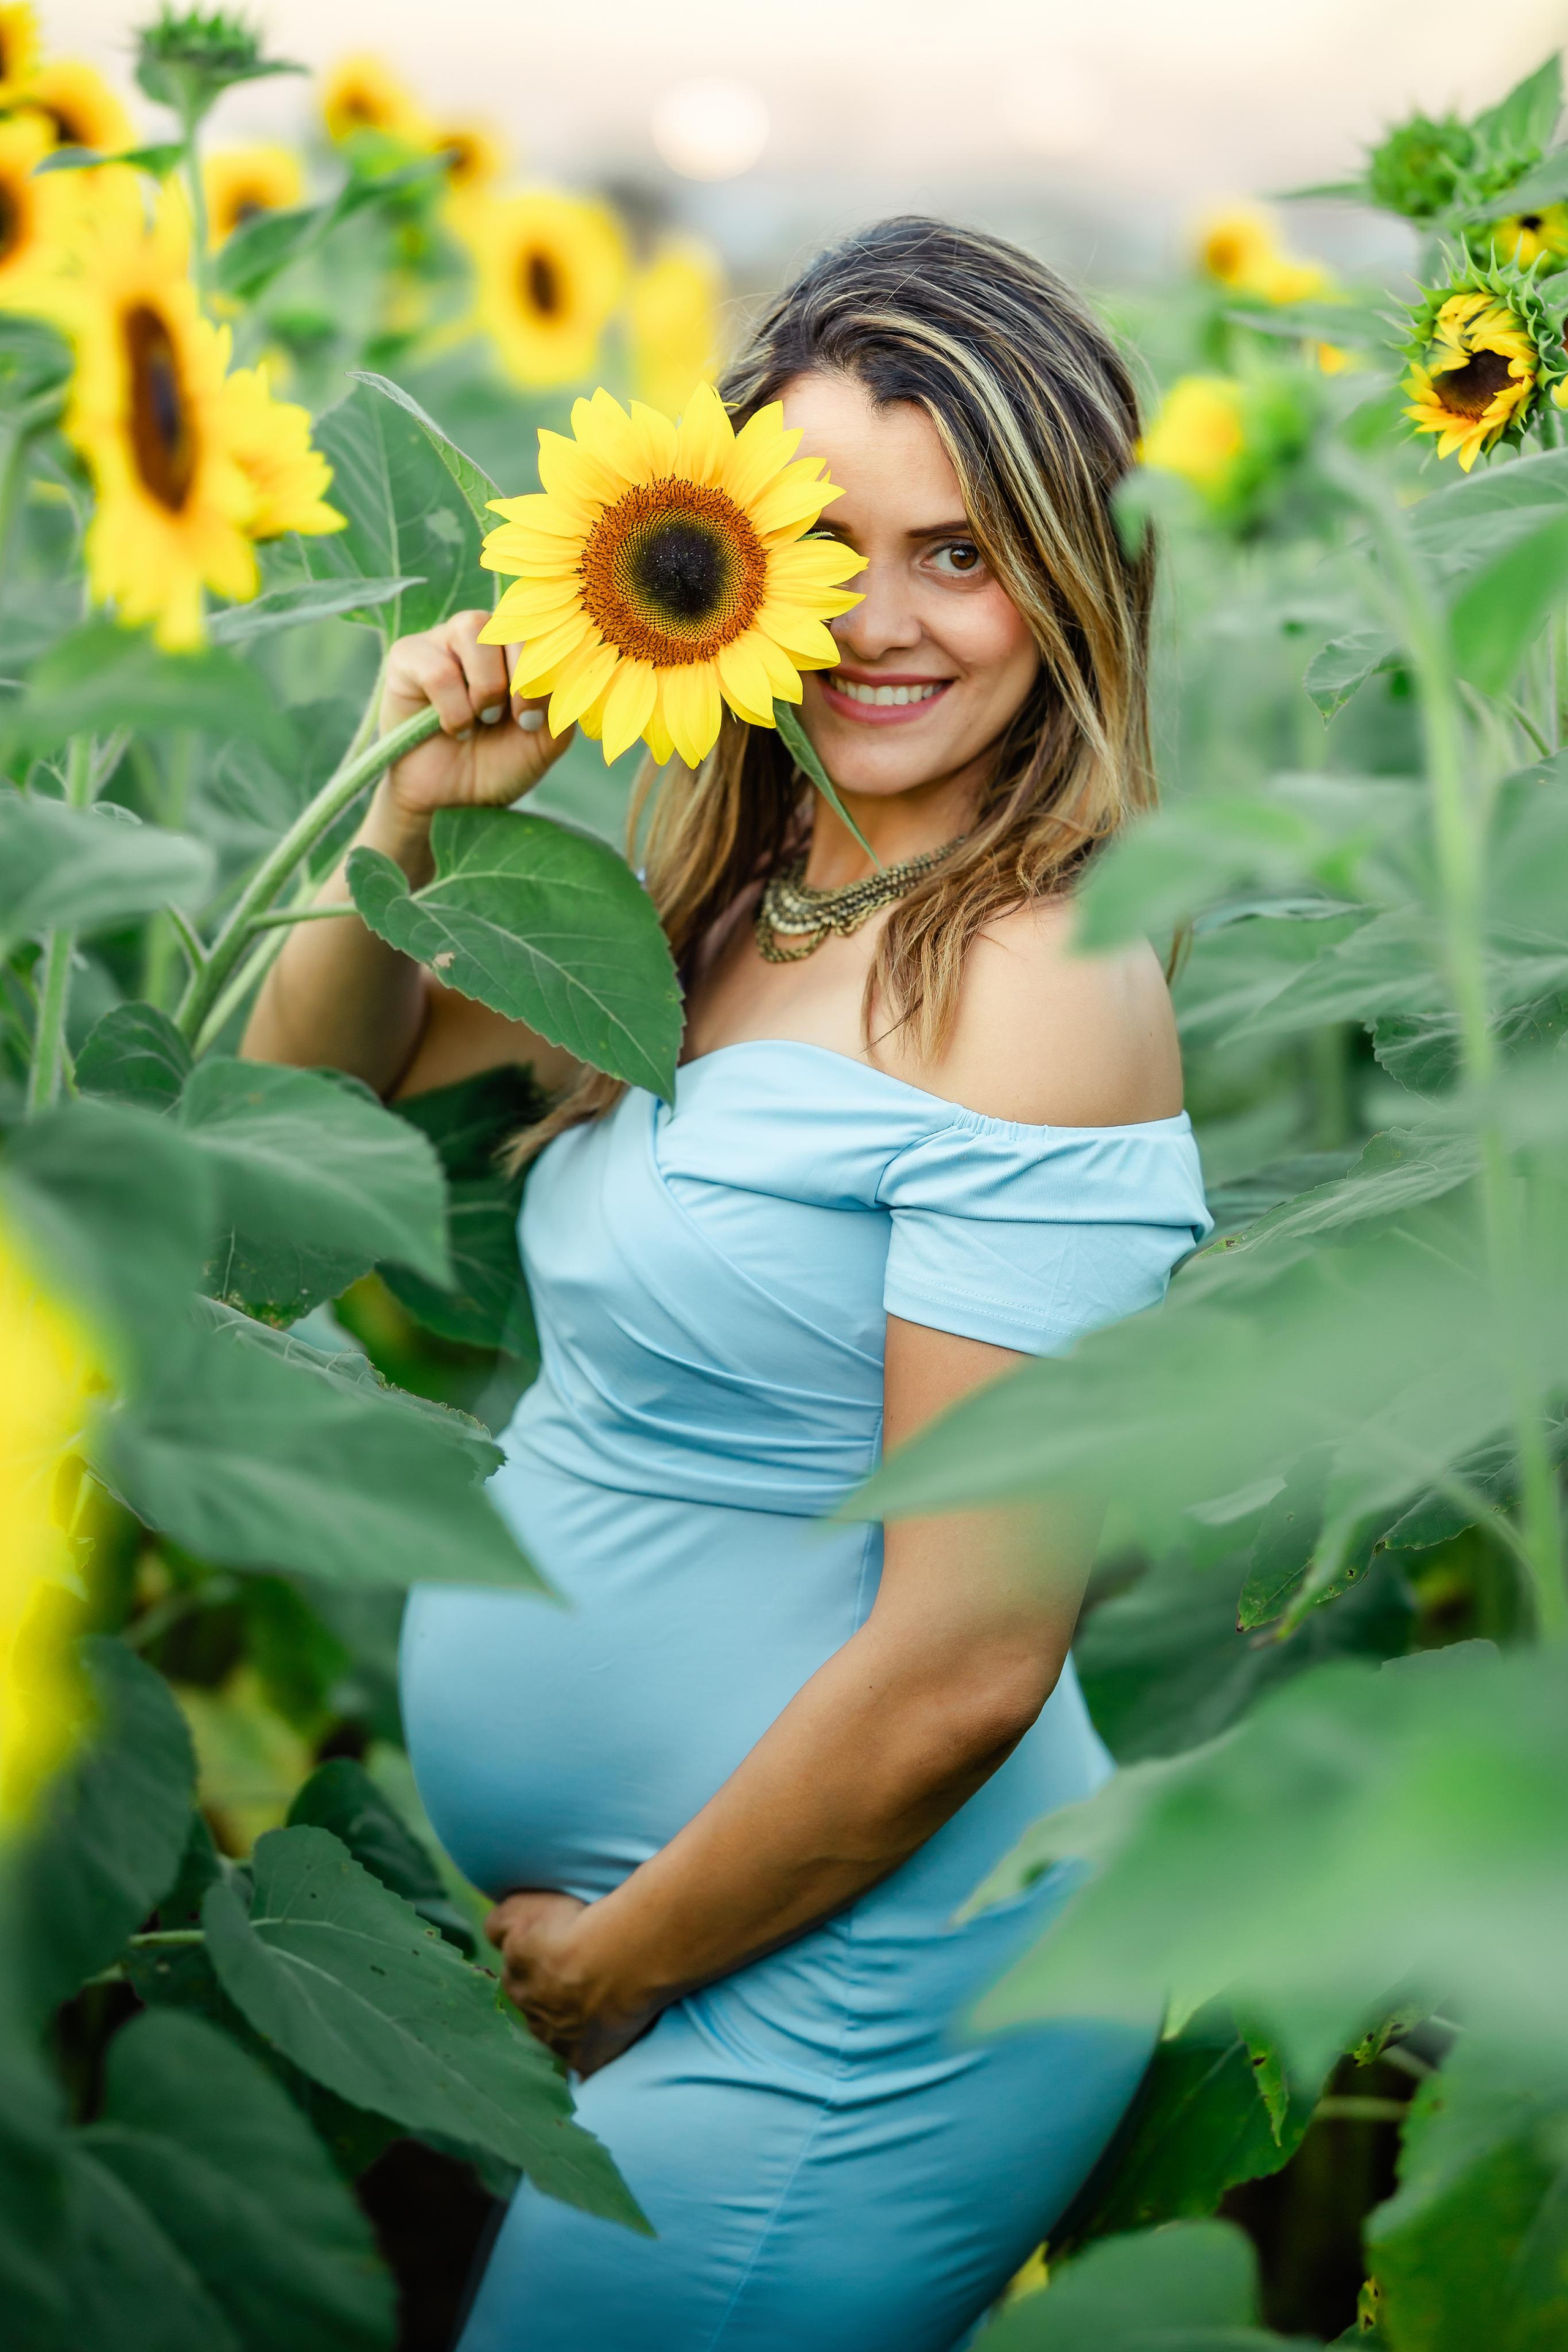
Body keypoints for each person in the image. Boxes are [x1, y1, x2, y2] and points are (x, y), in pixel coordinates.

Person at [243, 214, 1212, 2351]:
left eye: (962, 552)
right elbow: (271, 1155)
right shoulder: (719, 903)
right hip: (681, 1946)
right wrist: (406, 821)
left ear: (1076, 580)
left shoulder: (1042, 978)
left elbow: (968, 1656)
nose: (879, 623)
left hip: (864, 1982)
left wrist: (621, 1961)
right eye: (823, 547)